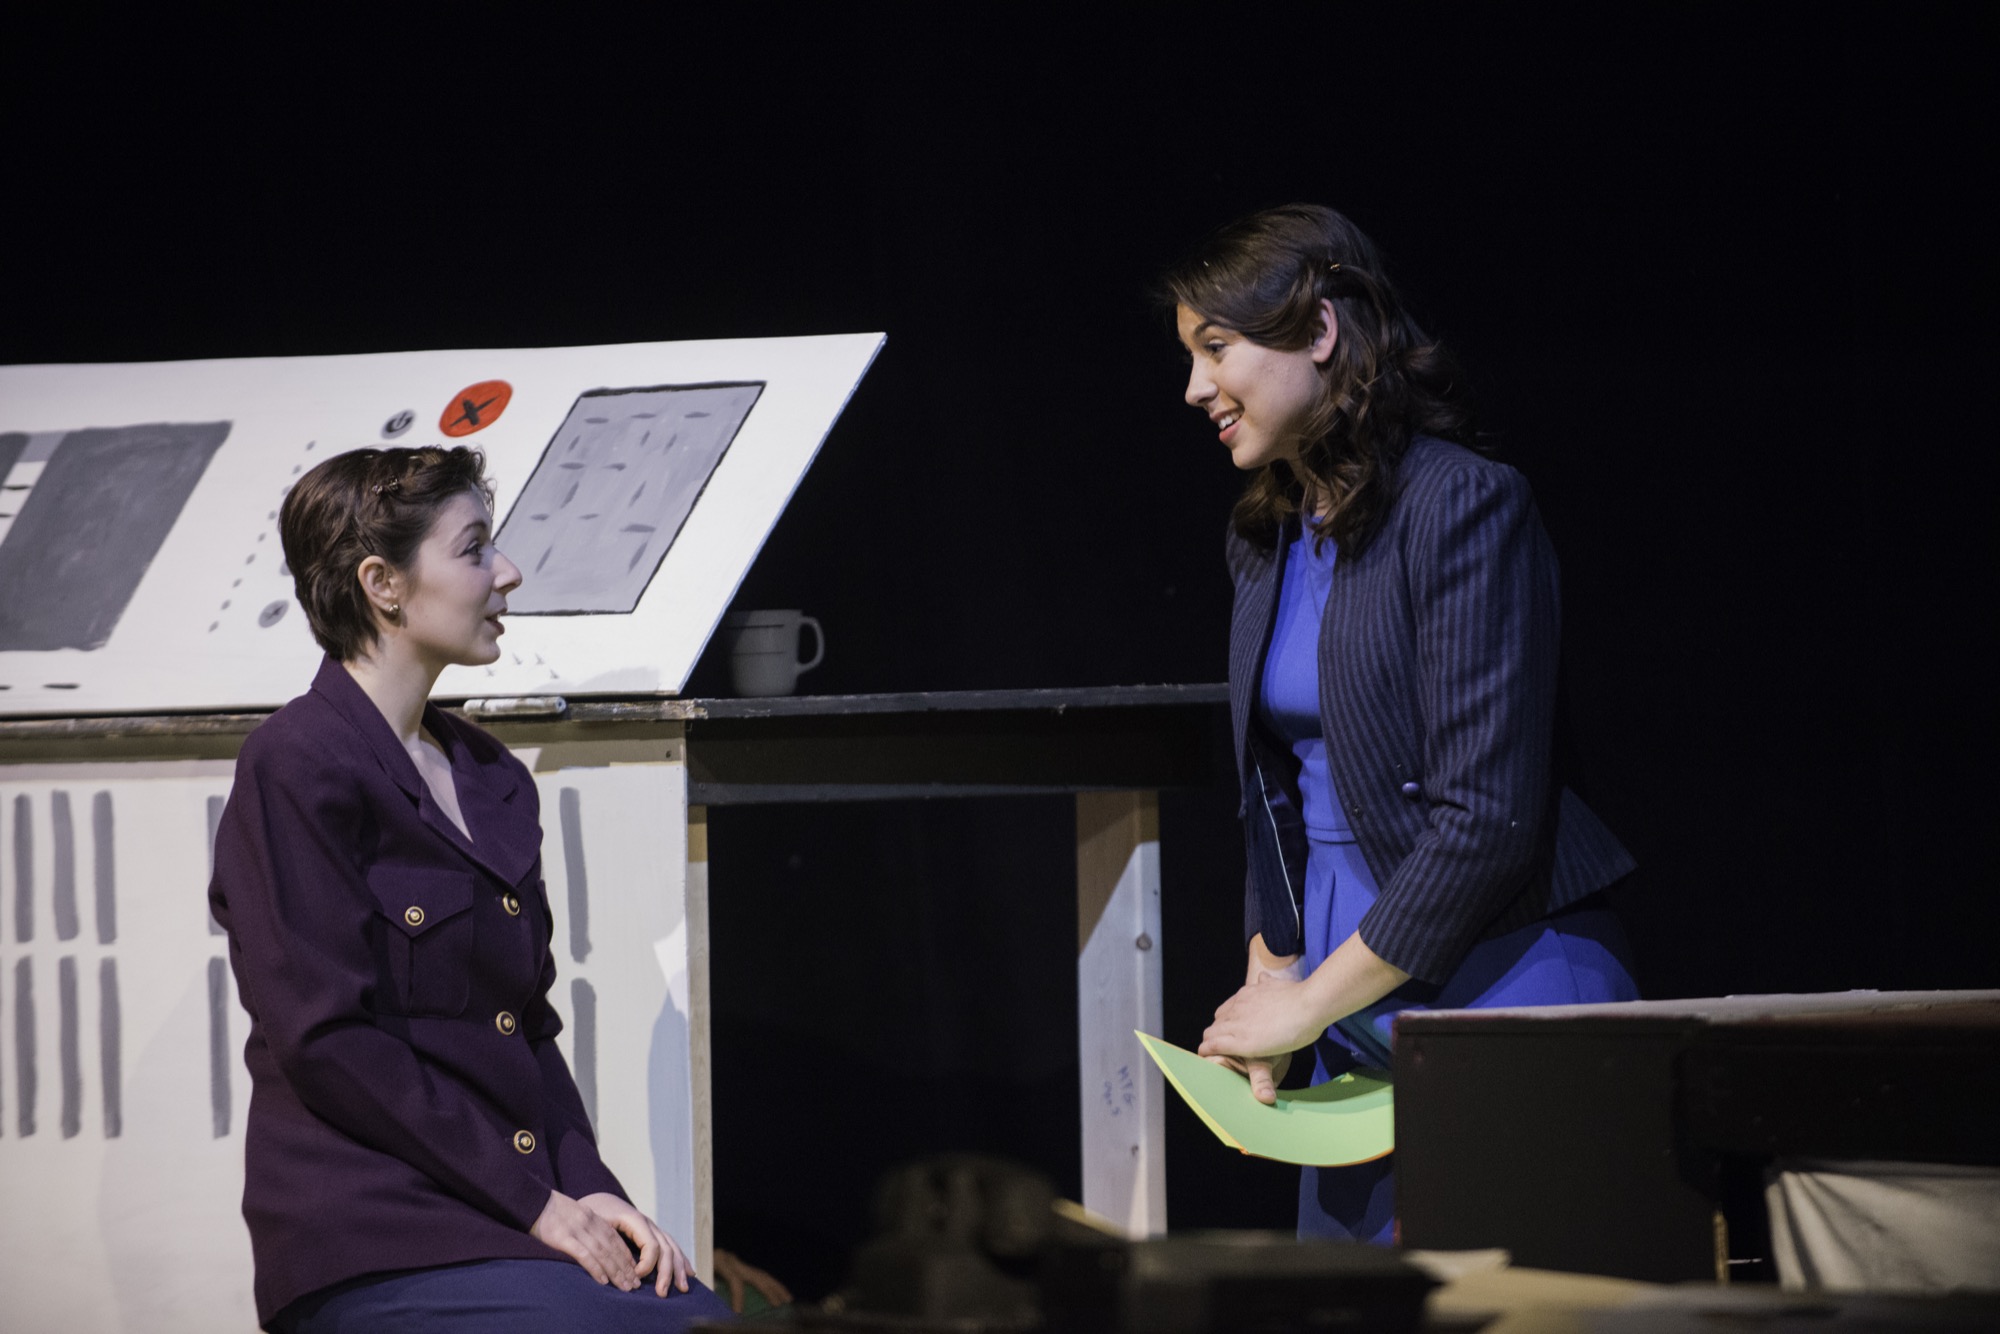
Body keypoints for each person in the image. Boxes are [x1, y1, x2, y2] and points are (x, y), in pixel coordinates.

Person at [1173, 205, 1641, 1243]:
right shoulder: (1262, 535)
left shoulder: (1463, 505)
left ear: (1319, 331)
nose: (1195, 387)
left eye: (1216, 347)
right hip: (1350, 1007)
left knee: (1514, 1301)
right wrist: (1272, 977)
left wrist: (1305, 1002)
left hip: (1502, 989)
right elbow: (1270, 789)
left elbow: (1485, 820)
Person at [208, 445, 734, 1331]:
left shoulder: (491, 775)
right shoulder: (296, 763)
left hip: (508, 1208)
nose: (508, 572)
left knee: (697, 1316)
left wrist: (590, 1188)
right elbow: (327, 1041)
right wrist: (533, 1202)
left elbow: (526, 1027)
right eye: (474, 548)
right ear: (383, 584)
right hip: (374, 1228)